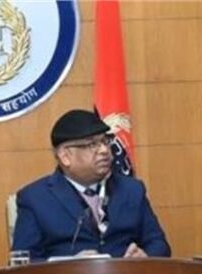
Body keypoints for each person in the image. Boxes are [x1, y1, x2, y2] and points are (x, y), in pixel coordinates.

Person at [12, 109, 171, 260]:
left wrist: (145, 255)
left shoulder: (132, 190)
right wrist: (67, 266)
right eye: (92, 144)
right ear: (65, 156)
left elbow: (159, 244)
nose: (104, 150)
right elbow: (22, 261)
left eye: (105, 141)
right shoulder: (35, 199)